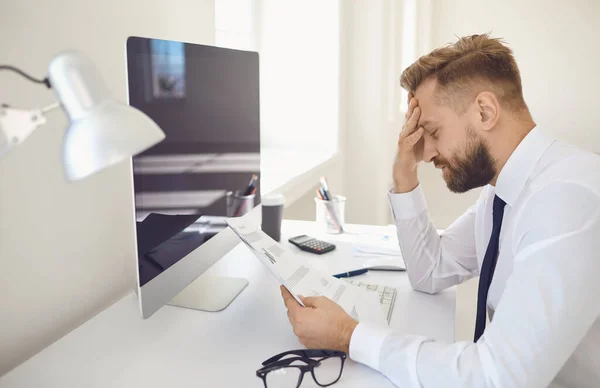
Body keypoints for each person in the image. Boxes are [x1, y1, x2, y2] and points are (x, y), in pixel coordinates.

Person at [280, 33, 600, 387]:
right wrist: (404, 173)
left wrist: (348, 335)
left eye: (431, 130)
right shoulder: (503, 194)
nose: (427, 152)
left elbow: (496, 378)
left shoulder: (567, 201)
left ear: (485, 111)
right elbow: (430, 271)